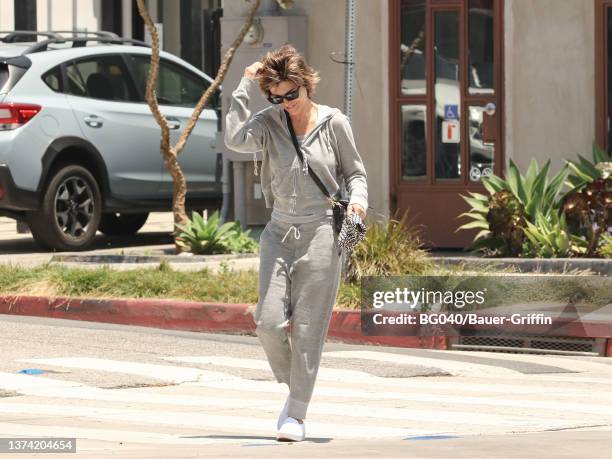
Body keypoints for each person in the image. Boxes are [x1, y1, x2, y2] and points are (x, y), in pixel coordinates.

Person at [224, 44, 368, 442]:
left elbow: (356, 173)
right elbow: (235, 138)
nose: (285, 103)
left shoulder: (334, 123)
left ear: (307, 85)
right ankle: (297, 391)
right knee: (268, 323)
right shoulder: (269, 122)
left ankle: (297, 415)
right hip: (278, 233)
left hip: (322, 233)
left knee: (308, 329)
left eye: (292, 94)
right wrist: (244, 84)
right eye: (277, 97)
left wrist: (358, 202)